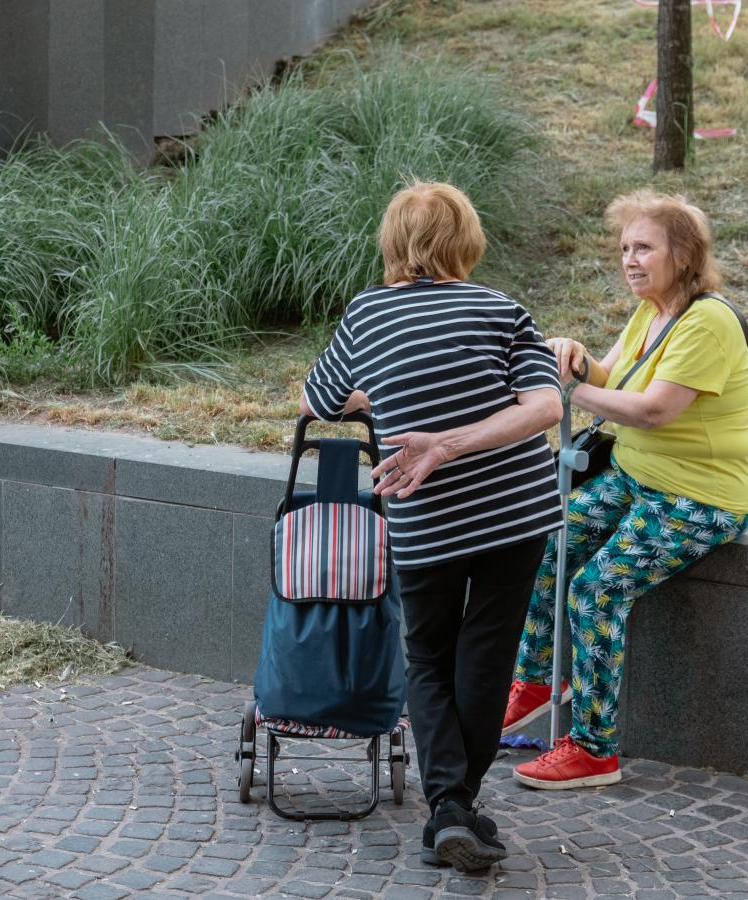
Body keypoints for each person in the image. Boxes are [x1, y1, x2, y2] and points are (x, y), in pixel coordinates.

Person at [300, 181, 563, 872]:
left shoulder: (367, 315)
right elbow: (544, 408)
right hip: (514, 511)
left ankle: (448, 806)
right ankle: (456, 808)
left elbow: (316, 398)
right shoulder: (502, 309)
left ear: (393, 244)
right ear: (467, 242)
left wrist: (415, 424)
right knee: (487, 655)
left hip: (426, 515)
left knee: (429, 655)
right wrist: (455, 438)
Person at [501, 190, 748, 790]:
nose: (630, 260)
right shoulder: (652, 310)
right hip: (636, 478)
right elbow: (611, 377)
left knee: (596, 589)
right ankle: (535, 681)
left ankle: (594, 750)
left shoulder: (709, 322)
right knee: (548, 542)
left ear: (683, 255)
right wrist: (573, 358)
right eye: (624, 248)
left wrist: (568, 390)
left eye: (644, 247)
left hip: (699, 498)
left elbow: (652, 410)